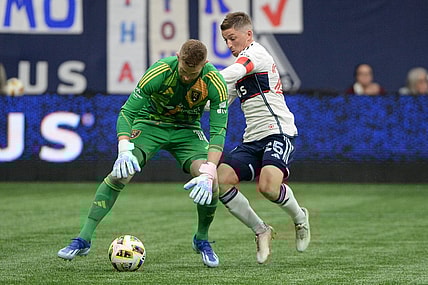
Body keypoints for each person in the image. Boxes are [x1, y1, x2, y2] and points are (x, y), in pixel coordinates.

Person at [57, 39, 229, 268]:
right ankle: (83, 239)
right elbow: (127, 112)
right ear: (178, 57)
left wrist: (209, 171)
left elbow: (218, 130)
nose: (187, 78)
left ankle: (202, 239)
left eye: (193, 73)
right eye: (184, 71)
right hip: (149, 125)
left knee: (212, 181)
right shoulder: (159, 71)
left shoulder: (214, 81)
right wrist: (124, 148)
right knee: (119, 175)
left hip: (188, 132)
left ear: (205, 64)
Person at [216, 12, 310, 264]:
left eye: (232, 38)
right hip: (253, 138)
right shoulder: (239, 68)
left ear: (248, 34)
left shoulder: (256, 54)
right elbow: (217, 99)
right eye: (225, 40)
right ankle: (261, 229)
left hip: (279, 131)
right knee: (220, 181)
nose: (229, 45)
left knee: (268, 187)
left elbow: (235, 71)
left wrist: (203, 78)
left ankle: (300, 219)